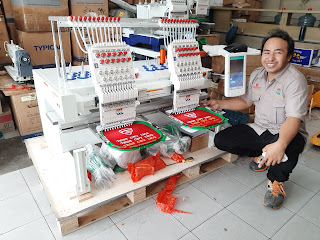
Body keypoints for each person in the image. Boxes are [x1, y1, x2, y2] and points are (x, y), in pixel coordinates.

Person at [202, 29, 308, 209]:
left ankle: (276, 182)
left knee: (287, 150)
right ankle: (263, 154)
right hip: (260, 127)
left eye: (278, 52)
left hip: (285, 132)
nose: (271, 58)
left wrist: (280, 145)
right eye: (267, 52)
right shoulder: (258, 74)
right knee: (222, 140)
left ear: (289, 56)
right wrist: (219, 104)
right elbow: (246, 101)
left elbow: (293, 118)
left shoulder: (295, 81)